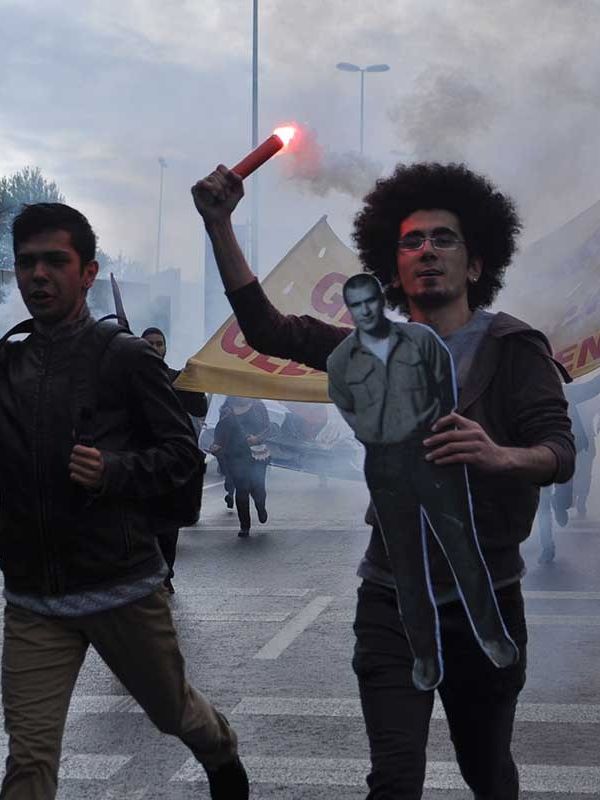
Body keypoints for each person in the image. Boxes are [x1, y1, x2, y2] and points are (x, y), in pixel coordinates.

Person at [194, 160, 574, 799]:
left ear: (475, 265)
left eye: (443, 238)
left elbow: (560, 451)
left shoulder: (515, 347)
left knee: (488, 772)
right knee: (395, 779)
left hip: (488, 598)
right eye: (411, 241)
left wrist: (499, 456)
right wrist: (219, 226)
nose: (427, 250)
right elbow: (267, 329)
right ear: (394, 270)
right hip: (391, 599)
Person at [0, 202, 247, 800]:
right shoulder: (2, 364)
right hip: (35, 598)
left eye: (55, 262)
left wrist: (114, 470)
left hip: (123, 587)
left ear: (88, 272)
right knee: (30, 767)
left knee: (175, 714)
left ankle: (220, 752)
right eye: (27, 263)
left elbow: (182, 456)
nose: (38, 275)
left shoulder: (126, 358)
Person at [328, 273, 517, 690]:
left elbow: (445, 393)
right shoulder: (341, 361)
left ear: (380, 301)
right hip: (385, 466)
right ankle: (425, 656)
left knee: (462, 550)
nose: (364, 311)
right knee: (407, 565)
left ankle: (491, 636)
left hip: (433, 455)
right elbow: (349, 411)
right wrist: (382, 435)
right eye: (355, 305)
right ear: (350, 308)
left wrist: (419, 427)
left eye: (369, 302)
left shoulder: (420, 340)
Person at [537, 357, 600, 563]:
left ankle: (560, 506)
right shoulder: (524, 395)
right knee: (542, 504)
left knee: (563, 497)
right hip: (538, 454)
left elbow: (591, 388)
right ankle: (547, 547)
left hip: (563, 453)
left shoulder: (564, 392)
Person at [140, 326, 210, 593]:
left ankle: (165, 573)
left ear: (165, 347)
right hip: (140, 462)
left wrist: (196, 384)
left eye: (159, 343)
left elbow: (199, 408)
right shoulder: (127, 376)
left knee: (168, 525)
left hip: (170, 462)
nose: (156, 347)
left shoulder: (177, 379)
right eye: (150, 343)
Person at [208, 396, 271, 538]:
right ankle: (245, 526)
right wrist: (216, 444)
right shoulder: (227, 409)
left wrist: (257, 438)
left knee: (258, 488)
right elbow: (221, 430)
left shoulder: (258, 406)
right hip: (235, 456)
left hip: (257, 454)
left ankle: (261, 508)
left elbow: (267, 428)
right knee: (242, 490)